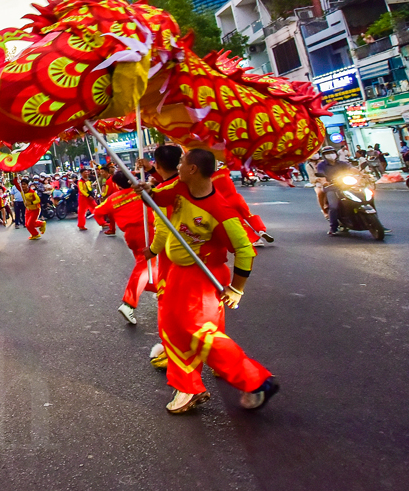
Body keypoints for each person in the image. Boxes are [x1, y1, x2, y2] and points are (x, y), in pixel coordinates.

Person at [146, 149, 278, 414]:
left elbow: (245, 250)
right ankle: (187, 383)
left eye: (182, 163)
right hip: (180, 273)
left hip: (203, 275)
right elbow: (158, 196)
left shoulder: (221, 211)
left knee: (198, 332)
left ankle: (255, 381)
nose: (178, 166)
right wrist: (144, 190)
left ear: (193, 169)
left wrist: (237, 289)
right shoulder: (179, 186)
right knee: (171, 326)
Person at [94, 172, 152, 325]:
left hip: (130, 235)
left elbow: (97, 211)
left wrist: (102, 222)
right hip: (147, 231)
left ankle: (162, 291)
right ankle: (129, 303)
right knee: (145, 267)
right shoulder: (142, 191)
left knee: (149, 266)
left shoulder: (113, 198)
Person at [314, 147, 356, 235]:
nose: (330, 155)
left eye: (332, 152)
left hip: (347, 186)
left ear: (336, 153)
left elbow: (352, 169)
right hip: (332, 187)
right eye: (327, 153)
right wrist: (324, 182)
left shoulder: (342, 163)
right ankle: (333, 227)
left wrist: (362, 173)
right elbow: (320, 176)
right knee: (333, 206)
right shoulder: (321, 165)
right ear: (324, 156)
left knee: (366, 198)